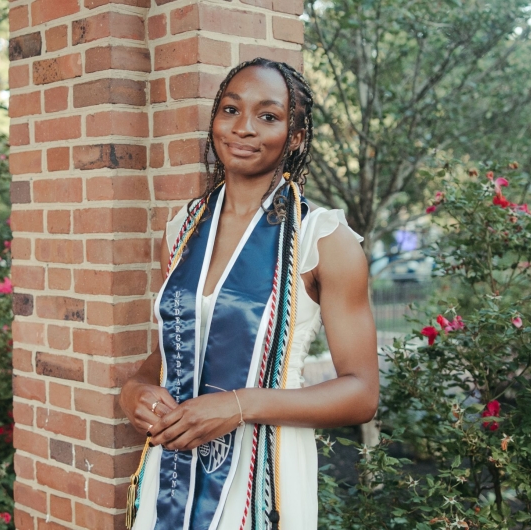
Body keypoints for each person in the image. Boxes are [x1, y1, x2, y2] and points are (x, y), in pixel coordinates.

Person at [120, 57, 379, 530]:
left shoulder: (322, 240)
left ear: (295, 135)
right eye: (230, 110)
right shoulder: (182, 230)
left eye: (268, 116)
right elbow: (171, 351)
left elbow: (361, 394)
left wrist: (239, 405)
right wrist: (134, 391)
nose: (243, 129)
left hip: (268, 472)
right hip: (174, 467)